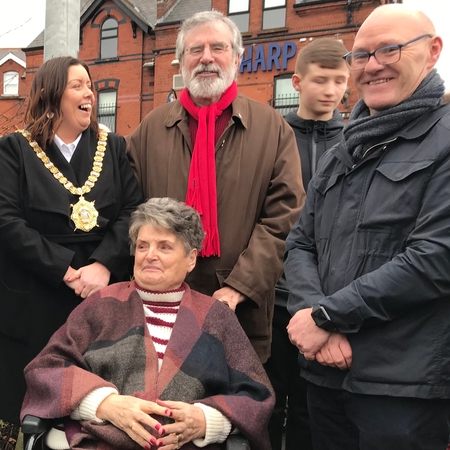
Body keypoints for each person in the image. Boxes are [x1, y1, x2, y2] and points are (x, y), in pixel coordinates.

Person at [285, 4, 450, 449]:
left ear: (432, 51)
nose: (372, 65)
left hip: (402, 388)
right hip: (326, 373)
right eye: (360, 56)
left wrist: (327, 316)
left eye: (389, 50)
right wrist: (311, 311)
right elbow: (301, 243)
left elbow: (436, 257)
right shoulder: (347, 146)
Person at [21, 198, 274, 450]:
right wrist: (105, 404)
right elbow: (46, 368)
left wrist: (207, 421)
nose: (150, 256)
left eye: (164, 247)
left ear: (191, 259)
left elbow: (256, 395)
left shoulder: (216, 317)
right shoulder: (102, 304)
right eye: (143, 246)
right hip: (102, 442)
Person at [126, 10, 305, 363]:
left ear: (237, 58)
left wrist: (239, 287)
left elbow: (285, 217)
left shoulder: (272, 128)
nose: (207, 57)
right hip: (161, 303)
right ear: (182, 61)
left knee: (232, 412)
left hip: (239, 309)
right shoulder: (151, 128)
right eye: (196, 50)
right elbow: (127, 211)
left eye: (218, 48)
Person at [0, 56, 143, 424]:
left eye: (90, 85)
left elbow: (133, 211)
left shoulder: (114, 147)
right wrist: (67, 271)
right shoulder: (16, 149)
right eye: (78, 85)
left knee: (101, 414)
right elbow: (4, 218)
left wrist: (103, 265)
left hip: (103, 297)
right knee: (39, 414)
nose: (89, 92)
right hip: (38, 292)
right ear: (52, 94)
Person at [265, 38, 348, 450]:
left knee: (310, 406)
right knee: (269, 397)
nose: (331, 90)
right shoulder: (274, 138)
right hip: (275, 295)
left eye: (339, 81)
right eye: (321, 80)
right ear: (297, 82)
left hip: (326, 298)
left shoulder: (354, 139)